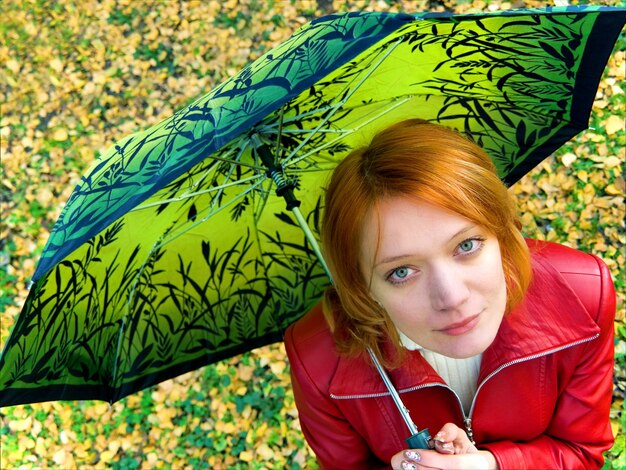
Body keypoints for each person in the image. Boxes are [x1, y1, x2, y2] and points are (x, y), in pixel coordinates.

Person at [284, 119, 616, 469]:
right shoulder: (317, 359)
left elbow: (581, 451)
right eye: (401, 272)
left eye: (467, 245)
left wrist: (490, 465)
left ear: (501, 232)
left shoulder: (582, 294)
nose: (452, 297)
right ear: (362, 286)